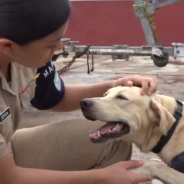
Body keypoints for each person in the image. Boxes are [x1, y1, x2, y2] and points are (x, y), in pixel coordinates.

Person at [0, 0, 158, 183]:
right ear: (7, 47)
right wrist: (103, 176)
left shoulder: (26, 57)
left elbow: (56, 98)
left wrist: (115, 86)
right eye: (50, 45)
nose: (59, 48)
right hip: (6, 174)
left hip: (8, 149)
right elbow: (9, 178)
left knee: (111, 139)